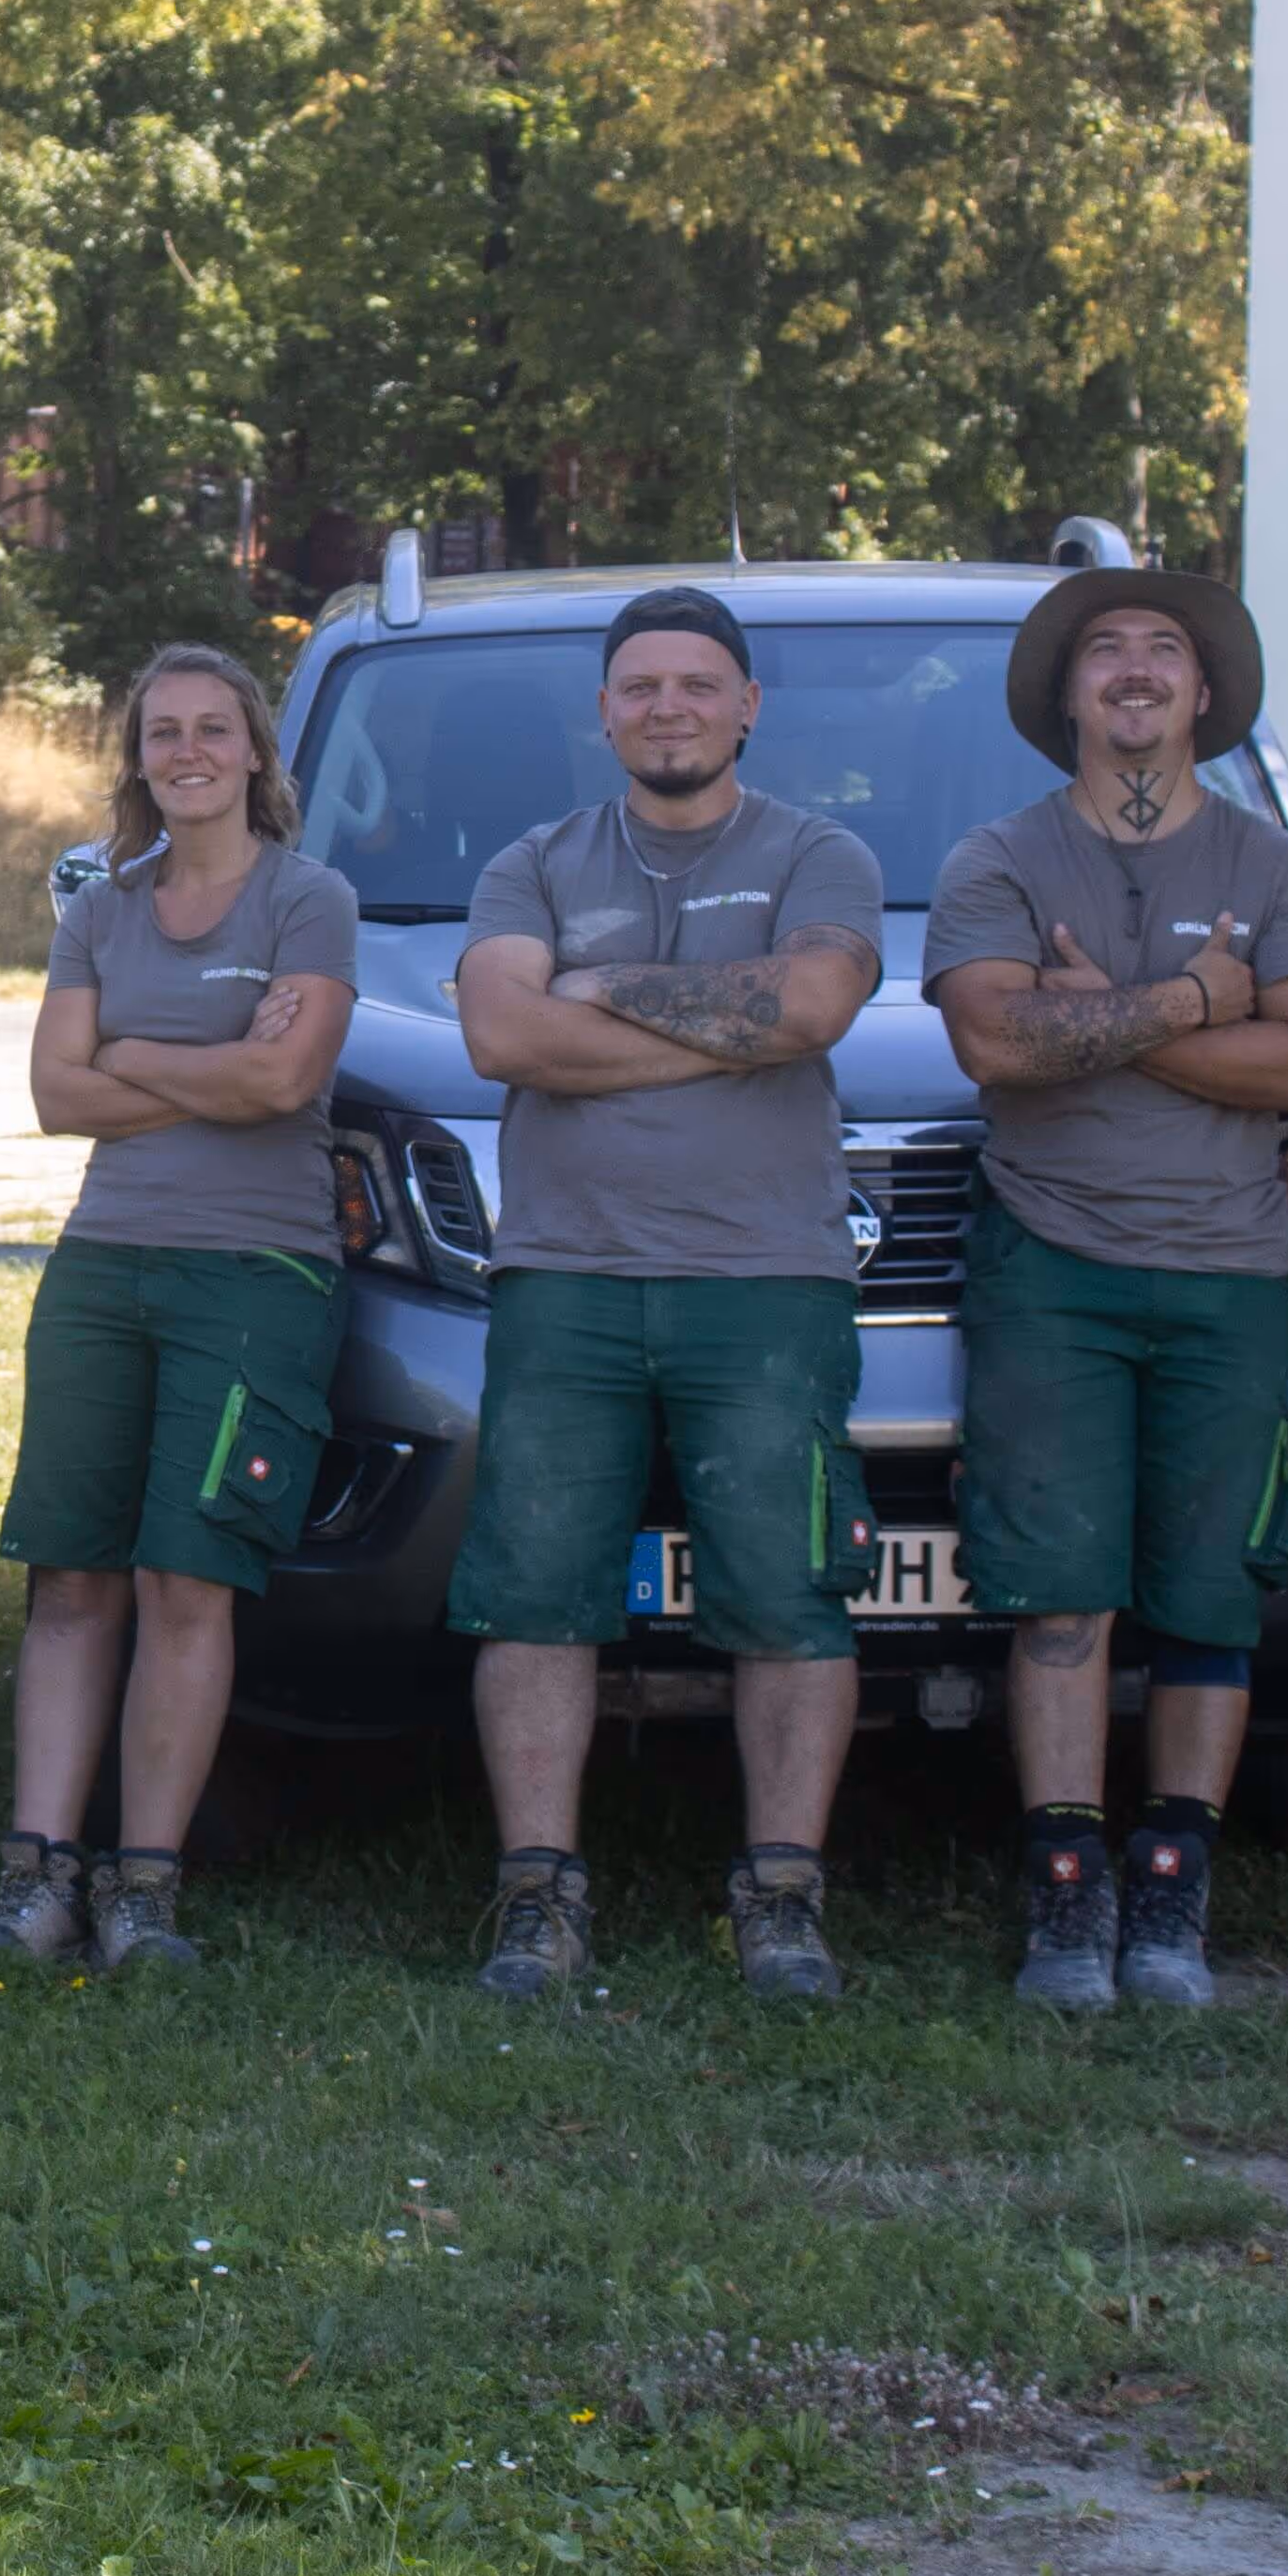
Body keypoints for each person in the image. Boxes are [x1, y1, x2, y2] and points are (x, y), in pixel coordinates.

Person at [921, 567, 1288, 2012]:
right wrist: (1189, 1001)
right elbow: (997, 1047)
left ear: (1207, 694)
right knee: (1056, 1591)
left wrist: (1094, 1012)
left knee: (1210, 1596)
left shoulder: (1281, 868)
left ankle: (1173, 1882)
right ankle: (1066, 1886)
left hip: (1232, 1270)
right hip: (1052, 1259)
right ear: (1064, 698)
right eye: (1101, 650)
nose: (1132, 670)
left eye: (1161, 649)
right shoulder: (998, 857)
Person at [447, 585, 887, 2002]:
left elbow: (813, 1013)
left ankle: (780, 1896)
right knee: (536, 1593)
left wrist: (603, 991)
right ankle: (538, 1897)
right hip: (566, 1278)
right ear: (606, 712)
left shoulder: (820, 853)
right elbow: (502, 1030)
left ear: (748, 706)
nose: (669, 708)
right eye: (641, 687)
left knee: (788, 1595)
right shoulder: (533, 859)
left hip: (767, 1282)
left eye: (698, 685)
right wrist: (724, 1024)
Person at [0, 645, 357, 1973]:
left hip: (255, 1276)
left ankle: (143, 1889)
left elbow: (284, 1086)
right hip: (104, 1268)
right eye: (161, 732)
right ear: (136, 757)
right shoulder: (103, 909)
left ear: (254, 754)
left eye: (212, 730)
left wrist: (132, 1051)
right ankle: (36, 1879)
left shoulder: (311, 901)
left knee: (189, 1580)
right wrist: (217, 1061)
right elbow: (55, 1097)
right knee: (70, 1576)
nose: (186, 752)